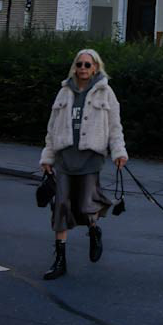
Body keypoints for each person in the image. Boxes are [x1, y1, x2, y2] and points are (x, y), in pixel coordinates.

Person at [39, 47, 128, 280]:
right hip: (65, 158)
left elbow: (115, 126)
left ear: (96, 67)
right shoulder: (64, 91)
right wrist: (47, 157)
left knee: (86, 206)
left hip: (90, 158)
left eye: (87, 64)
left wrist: (119, 152)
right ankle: (60, 260)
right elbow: (52, 128)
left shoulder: (105, 92)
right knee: (61, 206)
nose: (82, 68)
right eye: (79, 64)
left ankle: (94, 230)